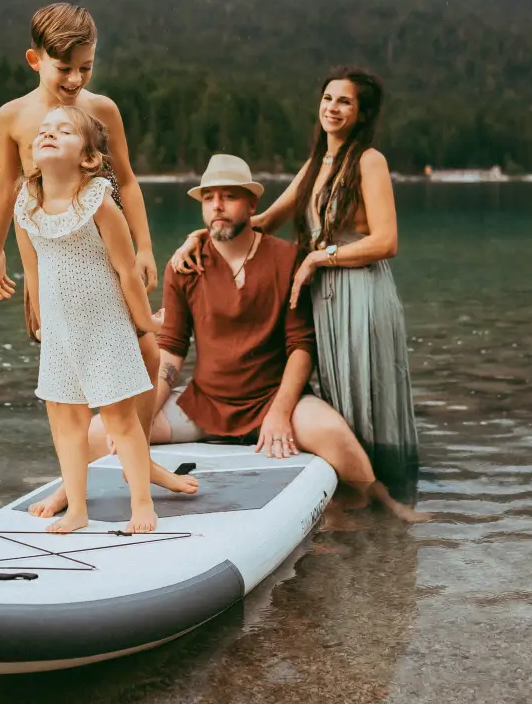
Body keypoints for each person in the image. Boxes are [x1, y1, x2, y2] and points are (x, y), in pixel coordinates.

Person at [96, 154, 425, 521]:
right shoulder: (185, 266)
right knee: (102, 429)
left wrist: (280, 413)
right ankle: (84, 498)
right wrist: (143, 416)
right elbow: (170, 351)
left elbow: (301, 347)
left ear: (252, 204)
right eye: (209, 198)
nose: (217, 206)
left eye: (229, 196)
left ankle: (383, 504)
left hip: (273, 399)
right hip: (206, 406)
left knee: (334, 435)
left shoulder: (287, 259)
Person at [0, 2, 197, 501]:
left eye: (87, 66)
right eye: (65, 68)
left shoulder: (102, 111)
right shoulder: (14, 117)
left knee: (146, 355)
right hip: (52, 259)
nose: (77, 78)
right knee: (65, 380)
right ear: (34, 59)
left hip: (109, 245)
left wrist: (145, 247)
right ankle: (71, 485)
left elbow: (125, 179)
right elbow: (5, 185)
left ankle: (138, 462)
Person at [171, 69, 419, 488]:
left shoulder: (368, 161)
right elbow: (261, 221)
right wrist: (196, 237)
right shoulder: (316, 165)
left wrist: (321, 256)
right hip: (323, 294)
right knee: (341, 392)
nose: (332, 108)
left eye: (345, 102)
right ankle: (345, 485)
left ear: (361, 114)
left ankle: (389, 488)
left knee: (368, 388)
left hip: (360, 293)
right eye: (327, 98)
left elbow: (387, 241)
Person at [9, 105, 163, 534]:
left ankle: (142, 504)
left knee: (120, 419)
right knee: (66, 422)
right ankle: (77, 508)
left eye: (63, 130)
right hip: (60, 334)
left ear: (89, 158)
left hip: (105, 328)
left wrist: (145, 323)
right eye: (43, 130)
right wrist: (40, 321)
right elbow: (33, 271)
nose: (48, 134)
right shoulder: (25, 204)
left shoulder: (98, 201)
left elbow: (127, 271)